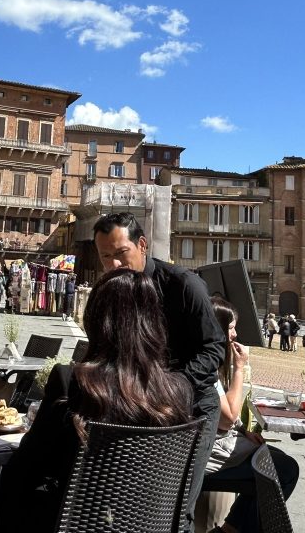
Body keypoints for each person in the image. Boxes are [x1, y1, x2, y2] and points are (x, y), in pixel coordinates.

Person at [0, 269, 194, 532]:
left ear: (96, 320)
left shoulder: (74, 382)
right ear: (155, 322)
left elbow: (24, 468)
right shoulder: (179, 391)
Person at [93, 212, 226, 524]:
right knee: (134, 504)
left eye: (121, 253)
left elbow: (214, 347)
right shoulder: (112, 290)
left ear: (141, 245)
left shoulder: (184, 285)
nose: (114, 265)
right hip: (143, 406)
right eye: (105, 257)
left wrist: (174, 385)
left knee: (177, 507)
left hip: (194, 408)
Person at [206, 297, 299, 533]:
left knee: (273, 459)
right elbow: (228, 416)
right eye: (230, 328)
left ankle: (229, 529)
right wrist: (239, 369)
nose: (235, 334)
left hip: (208, 447)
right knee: (283, 469)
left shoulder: (203, 361)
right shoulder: (204, 366)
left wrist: (242, 431)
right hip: (204, 457)